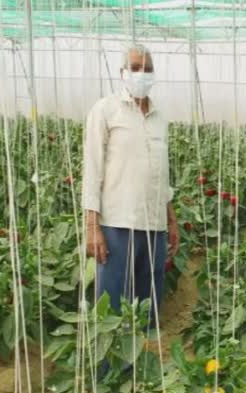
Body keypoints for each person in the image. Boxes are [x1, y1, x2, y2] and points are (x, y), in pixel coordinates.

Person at [82, 44, 180, 329]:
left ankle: (143, 366)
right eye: (135, 68)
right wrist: (92, 226)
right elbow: (93, 170)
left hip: (154, 226)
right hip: (117, 224)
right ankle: (109, 371)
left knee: (147, 303)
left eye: (147, 69)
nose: (141, 74)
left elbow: (162, 175)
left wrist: (171, 219)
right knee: (112, 306)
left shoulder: (160, 117)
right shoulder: (105, 110)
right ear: (122, 73)